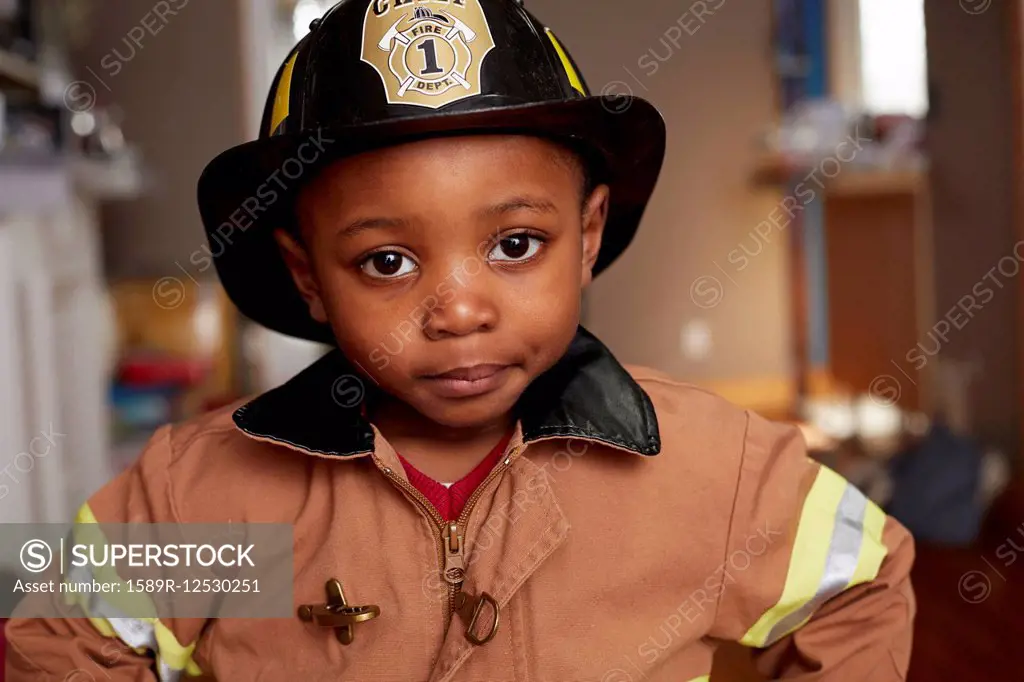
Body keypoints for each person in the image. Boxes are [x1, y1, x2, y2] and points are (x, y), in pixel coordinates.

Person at [5, 1, 915, 680]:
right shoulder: (219, 497)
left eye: (515, 246)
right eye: (389, 261)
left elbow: (862, 579)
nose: (457, 310)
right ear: (309, 273)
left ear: (588, 233)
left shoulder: (708, 474)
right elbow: (66, 627)